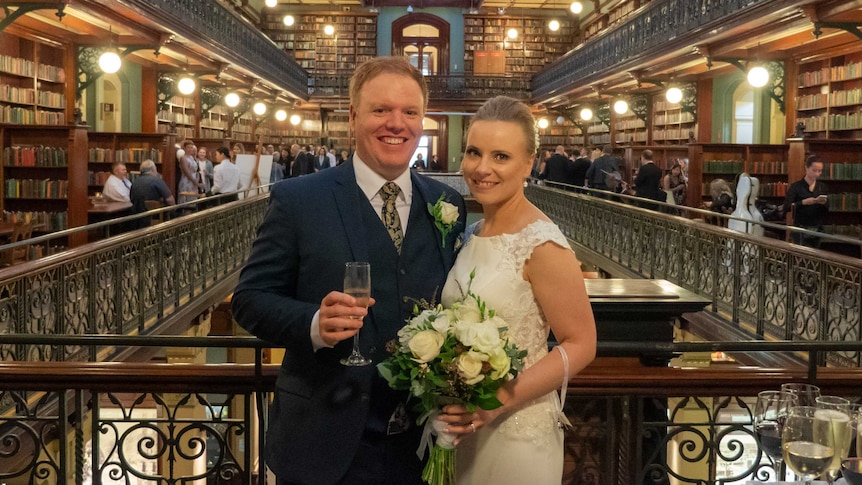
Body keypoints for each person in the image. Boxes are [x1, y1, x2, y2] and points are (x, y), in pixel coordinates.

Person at [231, 56, 467, 485]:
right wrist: (315, 323)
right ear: (354, 116)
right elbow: (249, 300)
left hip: (422, 445)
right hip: (322, 442)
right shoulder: (298, 200)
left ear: (422, 120)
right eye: (381, 110)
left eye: (410, 112)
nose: (396, 124)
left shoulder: (447, 205)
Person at [437, 96, 596, 485]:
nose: (482, 168)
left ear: (529, 163)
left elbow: (581, 343)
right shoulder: (471, 233)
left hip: (516, 429)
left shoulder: (542, 244)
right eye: (474, 152)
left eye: (501, 157)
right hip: (462, 425)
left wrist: (497, 402)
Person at [784, 154, 829, 247]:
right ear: (806, 168)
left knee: (815, 258)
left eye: (819, 171)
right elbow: (786, 207)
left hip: (817, 229)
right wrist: (803, 202)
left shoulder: (822, 187)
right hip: (800, 228)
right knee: (801, 257)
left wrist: (823, 203)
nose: (817, 174)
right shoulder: (796, 187)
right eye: (814, 170)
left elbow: (826, 210)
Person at [129, 160, 175, 229]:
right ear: (153, 169)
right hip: (156, 216)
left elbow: (131, 198)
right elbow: (169, 199)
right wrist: (174, 208)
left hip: (137, 217)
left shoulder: (134, 182)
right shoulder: (157, 181)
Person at [178, 140, 202, 205]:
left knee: (193, 202)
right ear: (184, 148)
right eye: (188, 147)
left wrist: (197, 180)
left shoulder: (192, 157)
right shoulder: (183, 158)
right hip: (187, 181)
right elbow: (187, 173)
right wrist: (196, 183)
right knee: (187, 202)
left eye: (191, 147)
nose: (190, 149)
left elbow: (196, 171)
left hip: (194, 182)